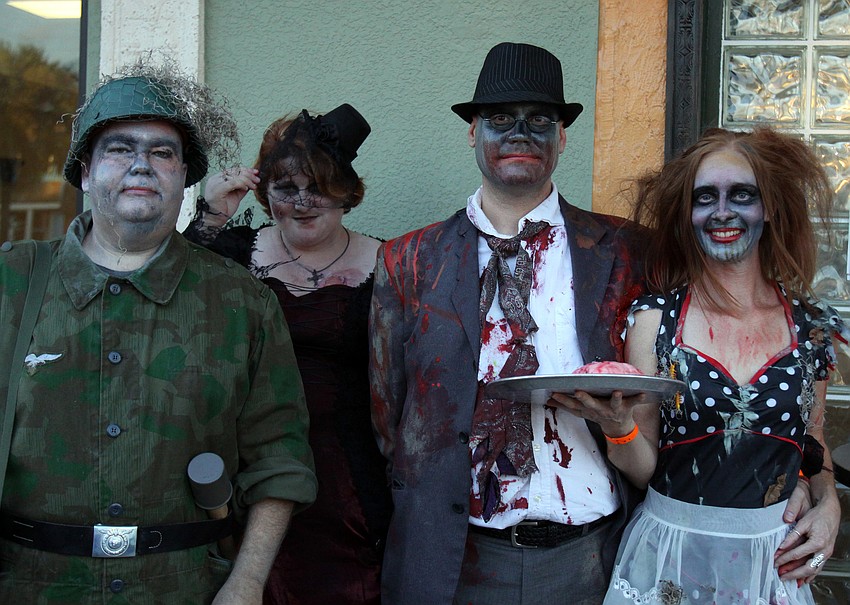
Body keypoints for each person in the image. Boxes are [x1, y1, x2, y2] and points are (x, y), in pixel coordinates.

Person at [0, 64, 317, 603]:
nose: (142, 165)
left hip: (185, 587)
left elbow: (279, 460)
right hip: (32, 587)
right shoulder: (12, 284)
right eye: (120, 149)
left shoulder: (242, 303)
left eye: (163, 152)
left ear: (185, 177)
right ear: (84, 171)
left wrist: (245, 583)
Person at [368, 42, 648, 605]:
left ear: (563, 137)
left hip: (594, 556)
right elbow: (387, 417)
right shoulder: (409, 260)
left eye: (539, 120)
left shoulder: (624, 249)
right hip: (456, 560)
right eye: (500, 119)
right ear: (472, 132)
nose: (519, 133)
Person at [560, 127, 842, 605]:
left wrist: (829, 501)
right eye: (705, 197)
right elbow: (646, 469)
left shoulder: (809, 325)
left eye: (743, 195)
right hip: (670, 557)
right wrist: (619, 426)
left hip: (769, 563)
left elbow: (811, 443)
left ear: (768, 208)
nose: (723, 212)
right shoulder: (655, 320)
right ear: (687, 215)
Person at [184, 104, 391, 605]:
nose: (302, 202)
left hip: (349, 482)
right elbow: (175, 296)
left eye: (318, 187)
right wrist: (210, 213)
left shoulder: (390, 263)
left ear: (347, 193)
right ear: (265, 192)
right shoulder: (232, 251)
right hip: (249, 472)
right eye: (286, 189)